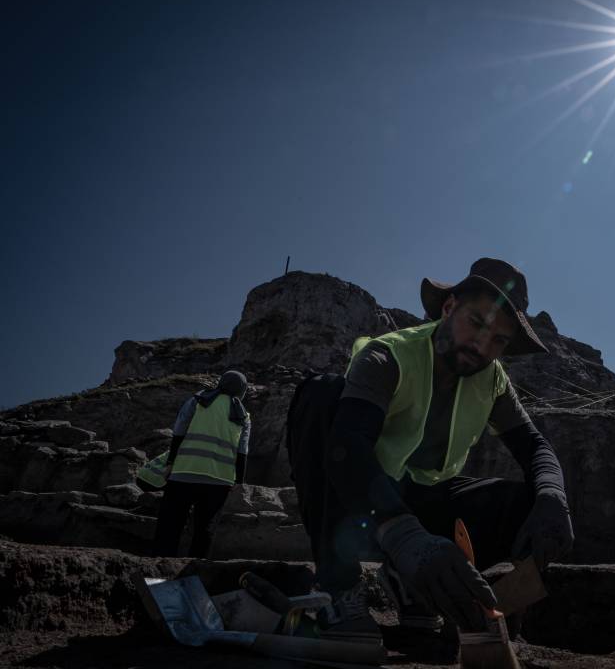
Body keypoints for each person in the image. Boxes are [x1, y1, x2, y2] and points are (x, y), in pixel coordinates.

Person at [286, 258, 573, 645]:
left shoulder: (493, 380)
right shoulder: (388, 355)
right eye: (477, 323)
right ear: (449, 308)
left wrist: (553, 497)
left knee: (529, 504)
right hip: (361, 506)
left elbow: (534, 446)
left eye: (500, 341)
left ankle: (414, 586)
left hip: (427, 508)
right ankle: (340, 590)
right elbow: (348, 448)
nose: (483, 346)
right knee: (321, 395)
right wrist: (405, 539)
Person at [153, 370, 252, 558]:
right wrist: (239, 482)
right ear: (242, 390)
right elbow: (242, 451)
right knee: (204, 530)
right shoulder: (243, 415)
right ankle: (193, 572)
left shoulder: (198, 400)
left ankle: (157, 570)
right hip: (220, 481)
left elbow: (179, 432)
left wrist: (170, 463)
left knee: (170, 526)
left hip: (184, 472)